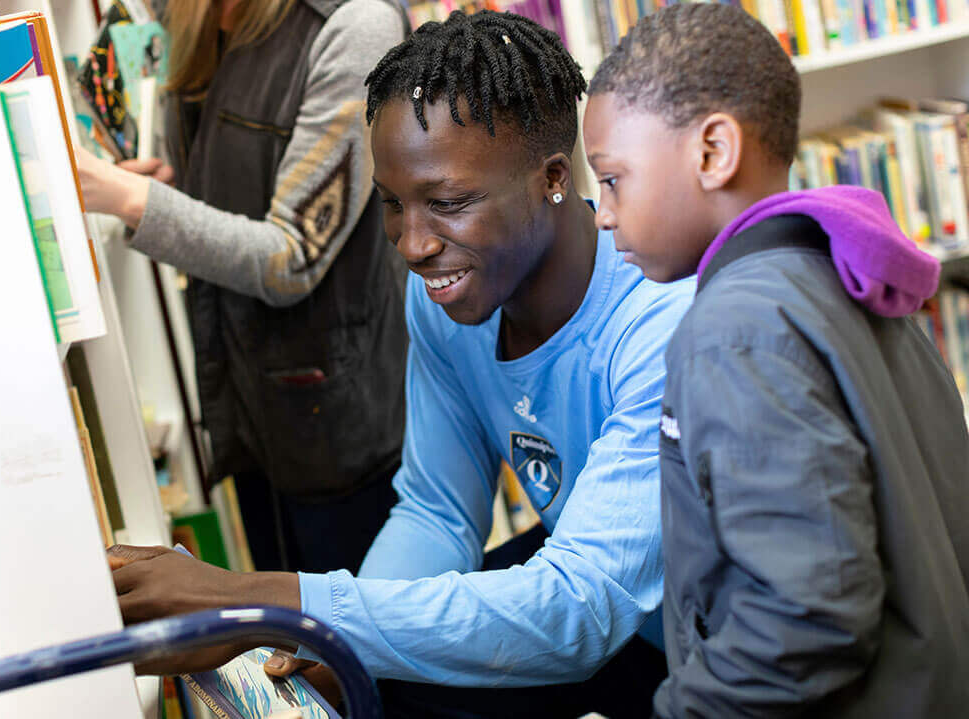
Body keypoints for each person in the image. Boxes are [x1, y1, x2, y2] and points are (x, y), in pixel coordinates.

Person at [107, 10, 694, 718]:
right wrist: (333, 642)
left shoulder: (663, 322)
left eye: (446, 203)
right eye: (393, 205)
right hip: (618, 614)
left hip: (710, 649)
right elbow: (438, 510)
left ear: (554, 177)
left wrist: (264, 601)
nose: (413, 245)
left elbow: (579, 609)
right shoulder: (449, 298)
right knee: (385, 678)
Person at [583, 5, 969, 716]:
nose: (603, 214)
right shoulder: (847, 271)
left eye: (612, 180)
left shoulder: (734, 329)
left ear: (712, 153)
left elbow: (808, 615)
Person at [78, 0, 409, 576]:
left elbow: (292, 255)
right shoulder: (197, 19)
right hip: (247, 412)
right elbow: (249, 179)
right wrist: (175, 186)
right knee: (287, 651)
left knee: (356, 650)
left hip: (341, 433)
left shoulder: (352, 25)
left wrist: (129, 200)